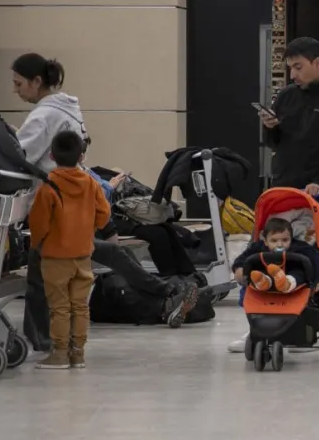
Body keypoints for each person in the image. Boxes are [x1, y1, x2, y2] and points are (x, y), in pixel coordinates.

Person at [14, 54, 197, 351]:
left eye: (18, 83)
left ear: (36, 81)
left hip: (55, 213)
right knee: (104, 255)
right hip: (72, 210)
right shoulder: (70, 110)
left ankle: (42, 339)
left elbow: (21, 158)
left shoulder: (43, 117)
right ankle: (168, 290)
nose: (16, 90)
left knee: (42, 274)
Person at [27, 131, 111, 369]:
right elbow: (104, 215)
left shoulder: (48, 187)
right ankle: (78, 352)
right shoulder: (91, 183)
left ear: (52, 155)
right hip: (83, 254)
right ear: (81, 156)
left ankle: (60, 354)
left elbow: (39, 223)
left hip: (55, 256)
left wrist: (37, 244)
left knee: (60, 308)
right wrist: (87, 228)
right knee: (81, 305)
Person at [258, 37, 319, 197]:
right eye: (290, 68)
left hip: (318, 193)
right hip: (282, 187)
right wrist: (270, 127)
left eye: (298, 67)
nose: (292, 75)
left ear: (317, 63)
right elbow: (274, 143)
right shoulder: (286, 95)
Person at [232, 217, 319, 295]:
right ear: (265, 241)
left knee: (299, 272)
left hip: (291, 273)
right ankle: (264, 282)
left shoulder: (299, 247)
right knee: (257, 272)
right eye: (274, 241)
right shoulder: (259, 247)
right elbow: (243, 257)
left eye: (285, 240)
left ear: (291, 239)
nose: (279, 244)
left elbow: (315, 260)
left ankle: (287, 283)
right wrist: (239, 268)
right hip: (267, 272)